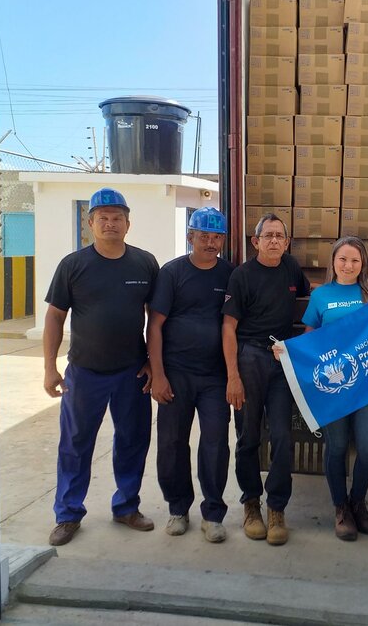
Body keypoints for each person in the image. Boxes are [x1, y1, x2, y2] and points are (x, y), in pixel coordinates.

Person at [43, 187, 159, 546]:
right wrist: (49, 367)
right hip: (85, 373)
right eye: (103, 217)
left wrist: (154, 364)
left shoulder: (144, 263)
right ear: (90, 222)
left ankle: (126, 506)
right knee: (75, 444)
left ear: (128, 223)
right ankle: (68, 514)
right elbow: (54, 317)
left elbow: (155, 319)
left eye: (117, 217)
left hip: (131, 372)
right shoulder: (73, 265)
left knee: (132, 440)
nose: (111, 223)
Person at [277, 236, 368, 541]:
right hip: (333, 390)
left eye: (354, 260)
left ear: (363, 263)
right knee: (336, 447)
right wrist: (288, 352)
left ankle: (358, 501)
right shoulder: (321, 296)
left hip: (367, 389)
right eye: (342, 259)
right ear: (333, 262)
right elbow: (311, 341)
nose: (348, 265)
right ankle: (341, 508)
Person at [222, 213, 310, 546]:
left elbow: (310, 299)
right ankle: (250, 504)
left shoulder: (291, 269)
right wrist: (233, 376)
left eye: (280, 236)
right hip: (250, 357)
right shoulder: (242, 276)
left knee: (283, 437)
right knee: (247, 437)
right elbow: (228, 327)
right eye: (267, 235)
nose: (274, 240)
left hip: (282, 359)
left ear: (287, 242)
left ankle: (276, 508)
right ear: (255, 241)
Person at [147, 207, 233, 543]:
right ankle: (178, 509)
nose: (210, 243)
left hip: (215, 378)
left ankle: (213, 514)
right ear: (190, 236)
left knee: (214, 444)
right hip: (176, 374)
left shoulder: (229, 274)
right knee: (171, 444)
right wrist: (158, 374)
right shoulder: (172, 273)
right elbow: (154, 325)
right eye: (204, 236)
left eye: (216, 237)